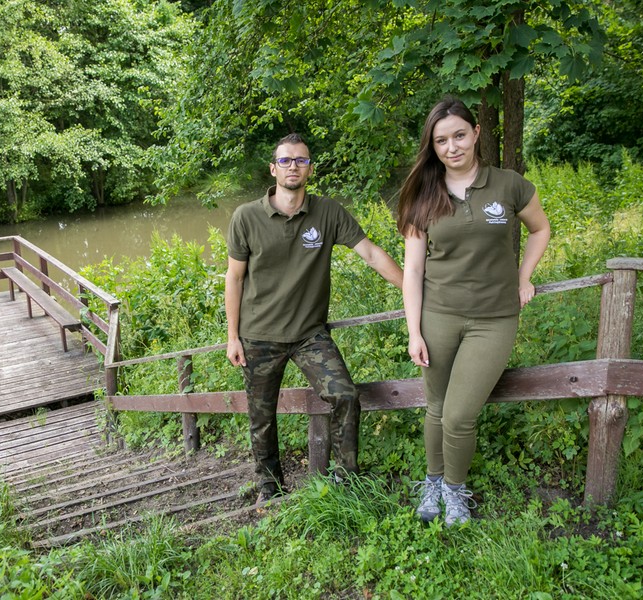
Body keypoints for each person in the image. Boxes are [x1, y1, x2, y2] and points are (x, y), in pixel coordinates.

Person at [226, 132, 403, 504]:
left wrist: (411, 289)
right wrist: (232, 336)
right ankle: (270, 489)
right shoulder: (246, 217)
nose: (294, 167)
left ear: (310, 168)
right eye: (286, 160)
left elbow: (370, 253)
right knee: (262, 416)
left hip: (309, 334)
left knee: (345, 396)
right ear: (273, 168)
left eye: (301, 160)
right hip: (258, 335)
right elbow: (235, 277)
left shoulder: (328, 212)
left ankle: (346, 481)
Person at [397, 97, 551, 525]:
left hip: (494, 318)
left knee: (459, 414)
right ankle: (432, 480)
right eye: (441, 140)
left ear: (477, 132)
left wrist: (523, 276)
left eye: (459, 135)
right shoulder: (422, 196)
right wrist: (414, 332)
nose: (452, 147)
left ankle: (454, 488)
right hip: (438, 317)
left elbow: (540, 229)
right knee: (435, 407)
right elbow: (412, 269)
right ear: (432, 146)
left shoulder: (509, 185)